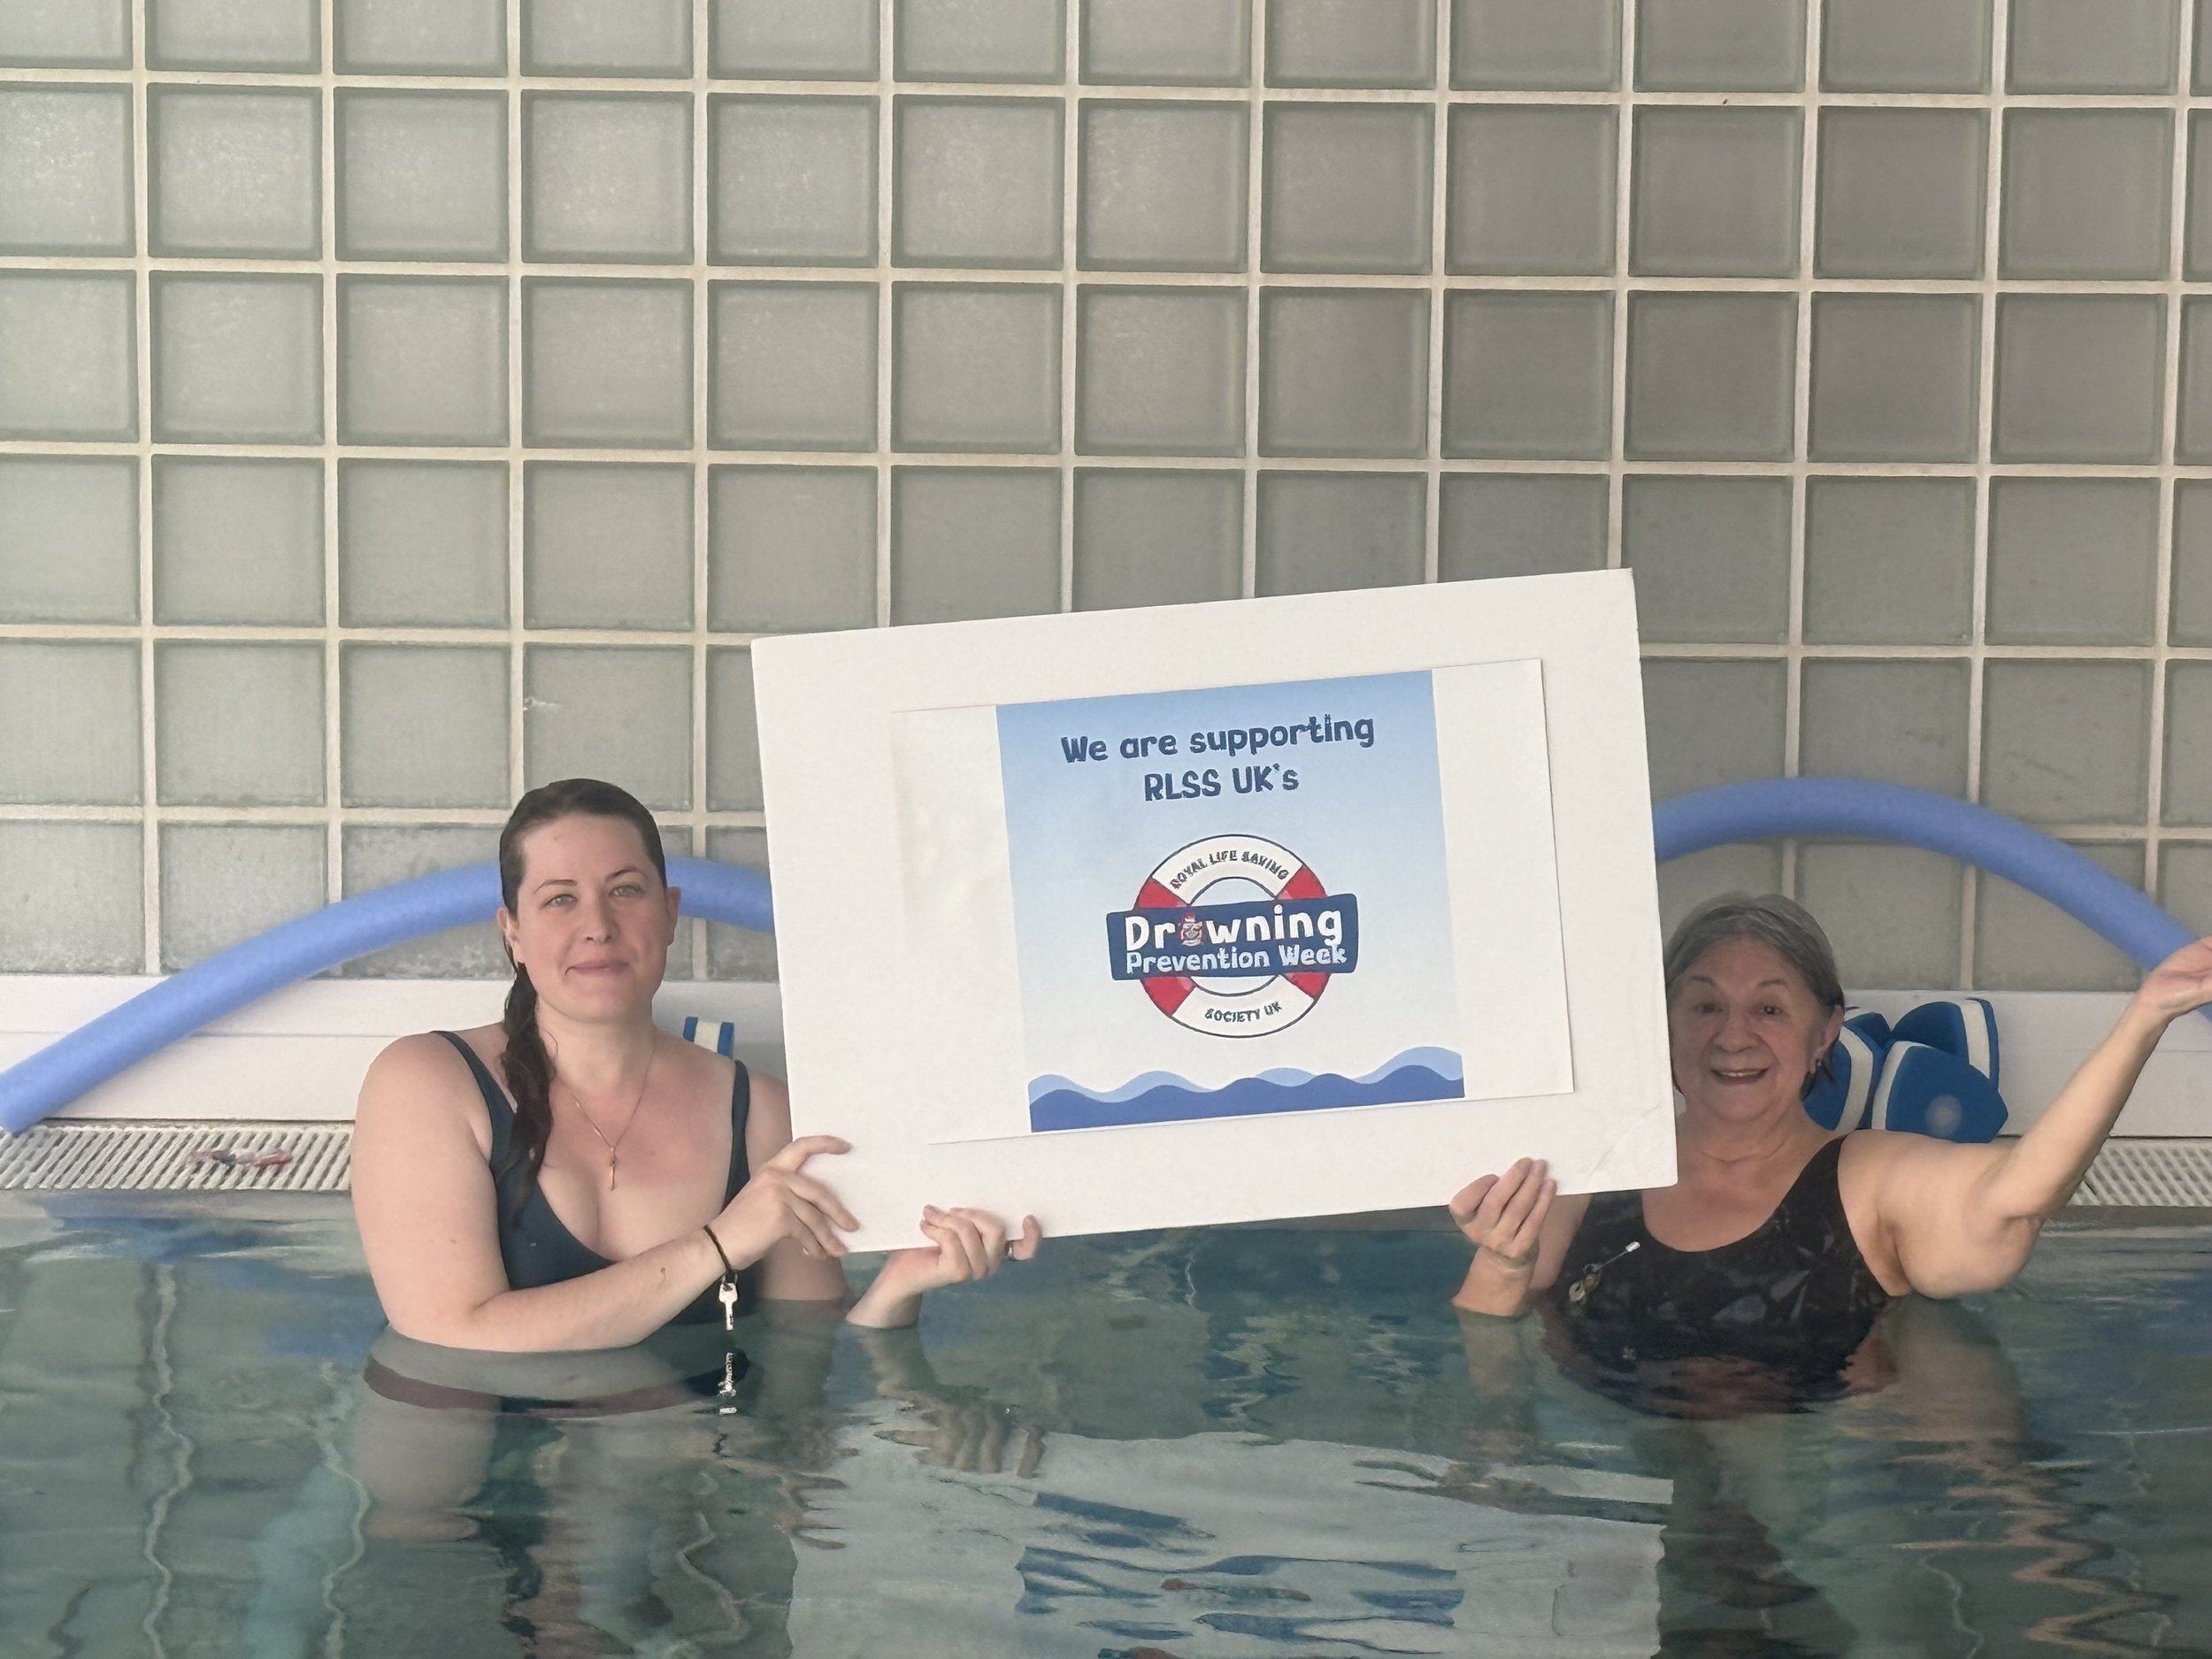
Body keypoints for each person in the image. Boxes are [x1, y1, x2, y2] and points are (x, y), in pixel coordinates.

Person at [350, 777, 1040, 1352]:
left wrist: (898, 1289)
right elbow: (450, 1330)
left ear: (670, 911)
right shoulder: (429, 1084)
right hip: (476, 1476)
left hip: (693, 1470)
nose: (597, 924)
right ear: (513, 932)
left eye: (626, 890)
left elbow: (803, 1366)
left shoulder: (761, 1116)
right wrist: (720, 1241)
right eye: (560, 898)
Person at [1448, 891, 2212, 1374]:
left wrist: (2145, 1018)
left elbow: (2016, 1196)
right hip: (1613, 1483)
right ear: (1663, 1026)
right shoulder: (1590, 1168)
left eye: (1771, 1009)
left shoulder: (1868, 1180)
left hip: (1819, 1485)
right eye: (1704, 1006)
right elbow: (1484, 1336)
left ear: (1825, 1036)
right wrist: (1505, 1262)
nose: (1734, 1037)